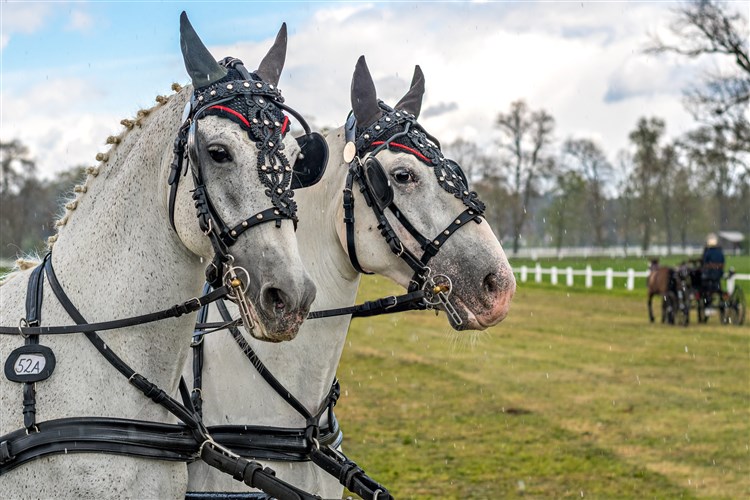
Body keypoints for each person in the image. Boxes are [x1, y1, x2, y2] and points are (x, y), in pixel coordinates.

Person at [701, 233, 725, 305]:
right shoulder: (720, 252)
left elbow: (704, 263)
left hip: (709, 275)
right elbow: (723, 262)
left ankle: (706, 299)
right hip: (718, 274)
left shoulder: (707, 252)